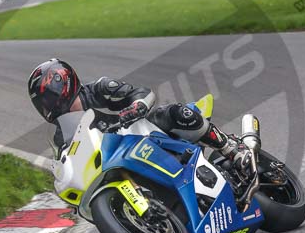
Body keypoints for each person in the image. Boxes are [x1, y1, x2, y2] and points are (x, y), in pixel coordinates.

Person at [27, 58, 254, 183]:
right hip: (118, 162)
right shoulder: (60, 135)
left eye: (51, 99)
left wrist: (135, 107)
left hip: (145, 133)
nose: (51, 106)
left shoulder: (100, 89)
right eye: (45, 104)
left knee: (176, 112)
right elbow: (69, 164)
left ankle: (231, 148)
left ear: (65, 87)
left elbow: (142, 93)